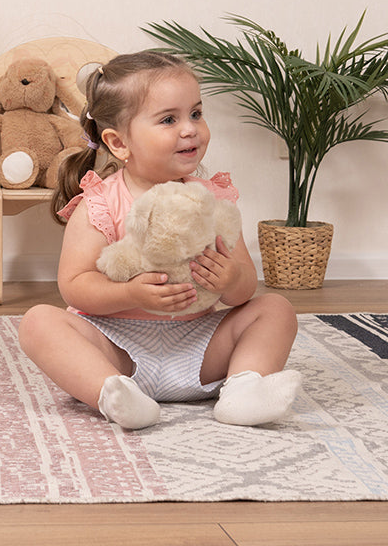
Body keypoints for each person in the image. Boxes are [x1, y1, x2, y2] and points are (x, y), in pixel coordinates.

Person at [18, 50, 301, 430]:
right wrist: (130, 295)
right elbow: (74, 286)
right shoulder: (101, 203)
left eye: (196, 114)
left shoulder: (213, 200)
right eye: (169, 119)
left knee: (276, 309)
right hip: (118, 348)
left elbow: (245, 287)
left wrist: (230, 280)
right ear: (119, 143)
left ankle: (243, 388)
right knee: (38, 323)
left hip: (198, 345)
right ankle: (114, 393)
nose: (190, 129)